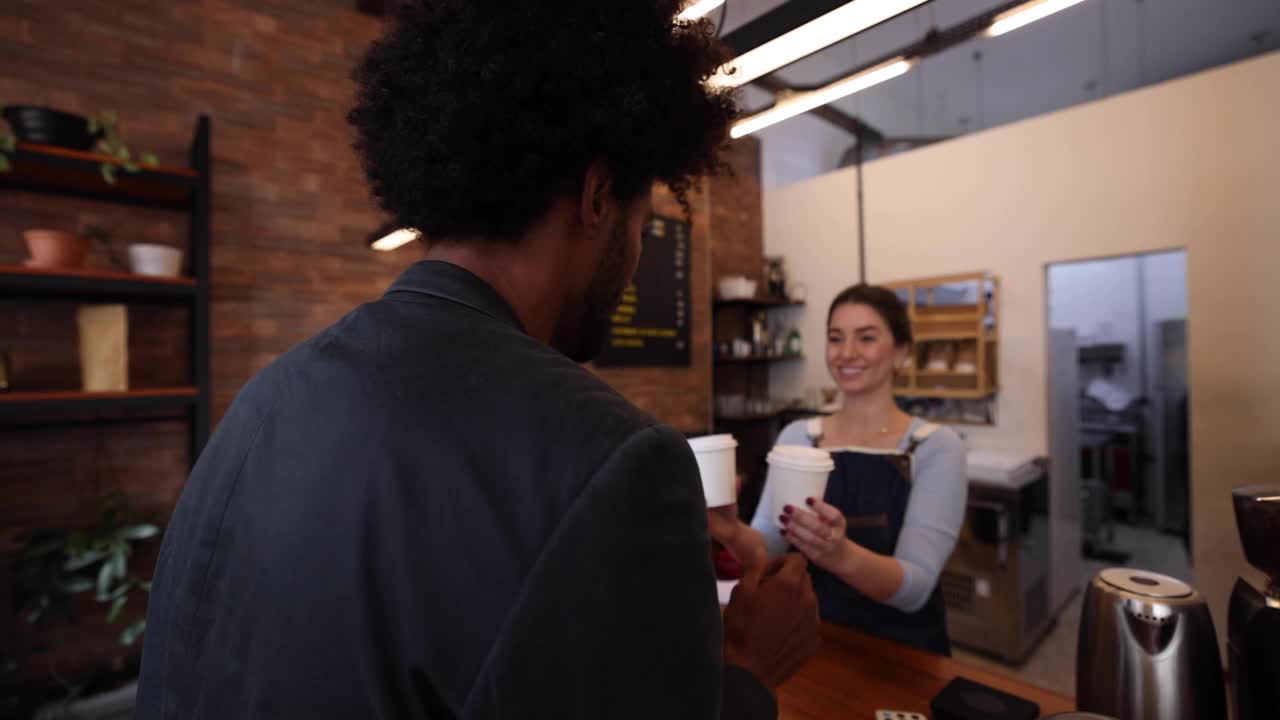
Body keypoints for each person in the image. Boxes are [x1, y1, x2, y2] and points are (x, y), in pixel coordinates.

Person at [136, 2, 820, 718]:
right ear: (595, 197)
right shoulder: (616, 461)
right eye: (640, 223)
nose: (637, 257)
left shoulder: (264, 400)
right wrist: (747, 671)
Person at [750, 284, 967, 656]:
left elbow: (914, 588)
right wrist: (722, 527)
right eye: (836, 338)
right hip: (805, 642)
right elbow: (766, 548)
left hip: (903, 655)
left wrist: (839, 555)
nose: (846, 353)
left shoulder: (935, 447)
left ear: (901, 352)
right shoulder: (799, 435)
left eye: (866, 338)